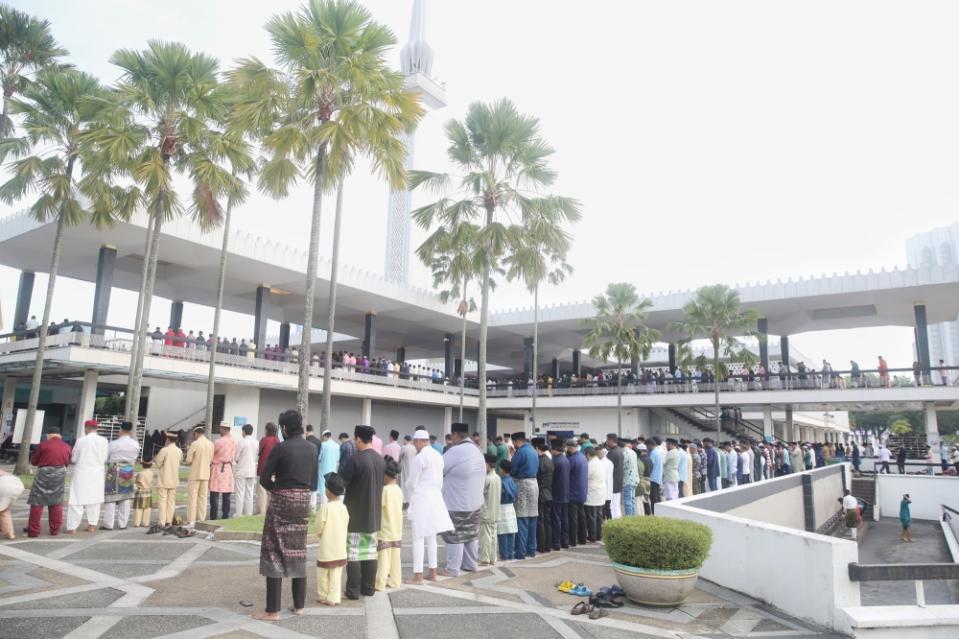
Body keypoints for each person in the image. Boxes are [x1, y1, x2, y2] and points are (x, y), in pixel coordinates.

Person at [255, 409, 318, 621]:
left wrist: (279, 489)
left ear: (284, 428)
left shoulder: (281, 448)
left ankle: (272, 610)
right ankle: (299, 605)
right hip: (302, 503)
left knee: (274, 549)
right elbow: (315, 483)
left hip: (281, 502)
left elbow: (264, 478)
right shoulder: (311, 448)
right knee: (297, 549)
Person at [340, 425, 386, 599]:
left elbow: (342, 482)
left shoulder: (355, 459)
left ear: (359, 439)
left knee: (354, 553)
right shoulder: (380, 460)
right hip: (374, 515)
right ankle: (368, 588)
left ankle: (352, 590)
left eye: (355, 439)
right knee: (370, 552)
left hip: (355, 514)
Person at [404, 428, 453, 583]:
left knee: (418, 536)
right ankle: (433, 572)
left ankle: (418, 575)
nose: (415, 445)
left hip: (422, 499)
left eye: (415, 442)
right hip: (436, 497)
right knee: (431, 536)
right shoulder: (438, 455)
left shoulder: (420, 458)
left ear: (419, 441)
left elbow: (411, 482)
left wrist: (409, 489)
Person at [441, 423, 486, 575]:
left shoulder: (455, 451)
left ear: (455, 435)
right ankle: (470, 564)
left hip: (456, 502)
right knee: (471, 534)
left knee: (456, 536)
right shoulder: (477, 450)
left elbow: (439, 469)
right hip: (475, 502)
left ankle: (452, 569)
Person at [25, 427, 72, 537]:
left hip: (43, 473)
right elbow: (67, 461)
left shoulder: (43, 445)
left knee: (37, 501)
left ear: (49, 435)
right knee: (56, 501)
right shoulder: (67, 447)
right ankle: (55, 529)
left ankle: (33, 531)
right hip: (59, 474)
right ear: (60, 436)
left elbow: (34, 461)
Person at [65, 419, 109, 534]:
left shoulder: (81, 440)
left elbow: (74, 458)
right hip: (97, 473)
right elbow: (105, 458)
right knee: (94, 500)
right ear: (96, 428)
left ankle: (72, 527)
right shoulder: (104, 440)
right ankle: (92, 525)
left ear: (86, 428)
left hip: (82, 472)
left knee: (76, 499)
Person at [315, 472, 349, 606]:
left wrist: (319, 535)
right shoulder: (343, 508)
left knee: (322, 573)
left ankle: (323, 595)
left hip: (326, 548)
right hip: (340, 548)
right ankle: (333, 597)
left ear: (328, 491)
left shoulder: (325, 508)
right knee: (336, 574)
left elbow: (319, 527)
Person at [102, 421, 140, 530]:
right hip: (127, 469)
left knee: (111, 497)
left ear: (121, 430)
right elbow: (135, 457)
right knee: (125, 497)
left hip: (113, 469)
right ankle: (122, 524)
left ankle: (108, 524)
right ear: (131, 431)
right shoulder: (135, 444)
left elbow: (106, 457)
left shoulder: (114, 443)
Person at [508, 432, 539, 559]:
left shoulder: (520, 452)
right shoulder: (532, 450)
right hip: (534, 484)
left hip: (522, 485)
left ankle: (520, 552)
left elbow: (513, 468)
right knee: (532, 518)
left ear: (516, 441)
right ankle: (531, 550)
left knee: (521, 519)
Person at [375, 457, 403, 591]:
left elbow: (378, 507)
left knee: (383, 560)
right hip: (397, 529)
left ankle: (380, 584)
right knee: (395, 559)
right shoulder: (398, 490)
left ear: (386, 475)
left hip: (385, 529)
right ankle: (396, 581)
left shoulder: (384, 491)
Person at [185, 424, 214, 528]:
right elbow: (211, 460)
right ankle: (201, 519)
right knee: (203, 498)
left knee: (192, 498)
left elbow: (188, 460)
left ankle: (191, 520)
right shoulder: (211, 444)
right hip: (206, 474)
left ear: (196, 433)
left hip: (195, 474)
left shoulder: (195, 444)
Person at [153, 431, 183, 530]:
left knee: (162, 501)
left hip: (164, 479)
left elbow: (157, 463)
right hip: (174, 479)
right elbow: (181, 461)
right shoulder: (179, 451)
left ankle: (162, 521)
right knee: (171, 502)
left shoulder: (164, 450)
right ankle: (169, 521)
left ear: (168, 439)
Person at [209, 422, 237, 520]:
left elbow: (211, 453)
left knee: (214, 493)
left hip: (217, 467)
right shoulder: (233, 441)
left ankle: (213, 516)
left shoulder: (218, 441)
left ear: (224, 429)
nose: (219, 430)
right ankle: (225, 515)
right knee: (227, 494)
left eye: (220, 428)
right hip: (228, 468)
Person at [479, 453, 502, 565]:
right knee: (493, 536)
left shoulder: (486, 479)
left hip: (486, 512)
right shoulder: (498, 478)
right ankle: (493, 558)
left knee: (486, 537)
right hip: (496, 511)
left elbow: (479, 494)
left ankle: (485, 559)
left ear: (487, 465)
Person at [532, 437, 553, 553]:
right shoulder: (549, 460)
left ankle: (541, 545)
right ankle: (548, 545)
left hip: (541, 494)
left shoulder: (539, 461)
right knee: (547, 521)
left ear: (537, 448)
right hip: (549, 493)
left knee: (541, 521)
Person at [566, 438, 588, 546]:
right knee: (581, 516)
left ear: (570, 448)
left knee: (573, 518)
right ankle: (583, 538)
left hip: (573, 492)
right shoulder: (583, 457)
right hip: (582, 491)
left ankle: (573, 540)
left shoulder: (571, 460)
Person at [550, 438, 570, 549]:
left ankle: (556, 542)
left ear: (554, 449)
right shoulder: (566, 460)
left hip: (556, 494)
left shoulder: (555, 461)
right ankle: (565, 541)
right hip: (565, 494)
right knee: (565, 519)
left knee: (556, 519)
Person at [234, 424, 258, 517]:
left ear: (244, 431)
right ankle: (248, 514)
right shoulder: (256, 442)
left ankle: (239, 514)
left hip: (242, 470)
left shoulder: (241, 442)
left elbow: (236, 457)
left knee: (240, 493)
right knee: (250, 493)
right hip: (252, 470)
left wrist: (238, 460)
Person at [497, 459, 518, 560]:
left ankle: (504, 555)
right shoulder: (512, 480)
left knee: (502, 533)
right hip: (511, 507)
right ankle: (510, 554)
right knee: (510, 532)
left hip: (502, 508)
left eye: (500, 468)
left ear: (503, 470)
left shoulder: (501, 481)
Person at [257, 423, 280, 514]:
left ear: (267, 430)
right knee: (271, 491)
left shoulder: (264, 440)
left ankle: (261, 512)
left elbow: (259, 452)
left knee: (262, 492)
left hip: (263, 468)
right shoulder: (277, 440)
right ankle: (271, 511)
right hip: (274, 469)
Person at [585, 448, 606, 542]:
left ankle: (592, 536)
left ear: (588, 454)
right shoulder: (601, 462)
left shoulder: (590, 464)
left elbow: (585, 476)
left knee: (591, 515)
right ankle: (599, 535)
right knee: (599, 515)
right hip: (600, 491)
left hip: (592, 492)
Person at [317, 430, 340, 506]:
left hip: (323, 469)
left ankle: (323, 506)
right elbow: (338, 458)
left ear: (325, 436)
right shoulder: (337, 445)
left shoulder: (323, 445)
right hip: (333, 469)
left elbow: (319, 457)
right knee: (331, 488)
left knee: (323, 489)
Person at [0, 469, 25, 539]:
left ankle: (9, 533)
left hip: (4, 484)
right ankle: (9, 533)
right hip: (17, 484)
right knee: (5, 510)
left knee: (3, 511)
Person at [604, 434, 624, 519]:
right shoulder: (619, 450)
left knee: (613, 508)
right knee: (616, 506)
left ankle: (616, 525)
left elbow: (607, 469)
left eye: (607, 440)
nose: (606, 442)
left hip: (613, 484)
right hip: (618, 482)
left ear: (611, 440)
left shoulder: (613, 453)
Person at [133, 461, 155, 528]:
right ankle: (146, 523)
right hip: (148, 491)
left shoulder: (140, 473)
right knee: (147, 507)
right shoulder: (151, 473)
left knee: (138, 507)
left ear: (143, 466)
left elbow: (137, 481)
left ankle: (137, 523)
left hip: (140, 491)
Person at [622, 439, 639, 514]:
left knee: (627, 502)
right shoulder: (634, 452)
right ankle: (633, 520)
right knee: (632, 501)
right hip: (635, 479)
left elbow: (623, 466)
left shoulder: (624, 452)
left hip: (627, 480)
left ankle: (629, 521)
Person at [399, 434, 416, 505]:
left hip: (404, 467)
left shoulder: (404, 447)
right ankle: (410, 500)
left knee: (403, 484)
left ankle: (404, 501)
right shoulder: (414, 448)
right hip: (412, 468)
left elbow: (399, 457)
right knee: (411, 484)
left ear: (405, 440)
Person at [648, 436, 663, 511]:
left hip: (653, 478)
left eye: (647, 446)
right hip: (658, 478)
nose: (647, 448)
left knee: (654, 499)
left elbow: (650, 465)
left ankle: (655, 513)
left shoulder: (653, 453)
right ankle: (659, 512)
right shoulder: (659, 452)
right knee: (657, 497)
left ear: (650, 445)